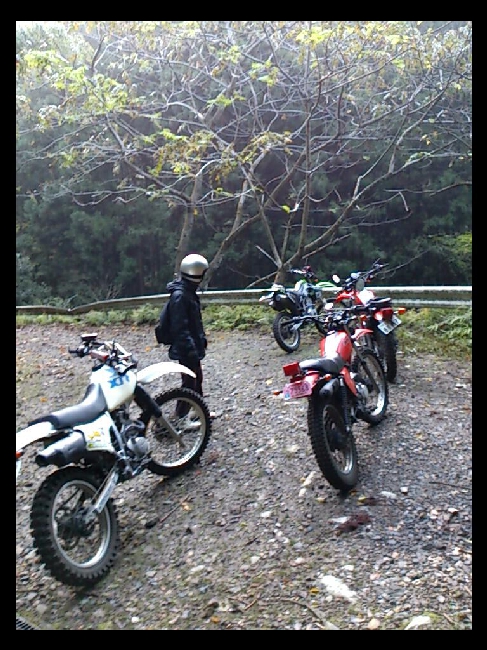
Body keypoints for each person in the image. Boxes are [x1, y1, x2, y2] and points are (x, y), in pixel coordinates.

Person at [166, 253, 209, 426]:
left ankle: (200, 412)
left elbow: (193, 323)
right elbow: (180, 328)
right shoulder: (180, 296)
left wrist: (200, 341)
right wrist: (190, 349)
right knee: (189, 383)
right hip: (186, 348)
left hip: (191, 346)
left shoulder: (188, 292)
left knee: (197, 380)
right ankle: (179, 419)